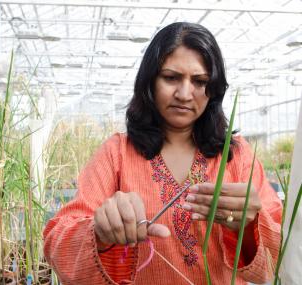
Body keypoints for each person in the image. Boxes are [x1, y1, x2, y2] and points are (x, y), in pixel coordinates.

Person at [43, 22, 282, 285]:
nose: (184, 94)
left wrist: (249, 226)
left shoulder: (237, 155)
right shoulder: (118, 153)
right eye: (171, 77)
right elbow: (58, 241)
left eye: (200, 81)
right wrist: (98, 232)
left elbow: (281, 253)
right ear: (150, 81)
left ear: (213, 89)